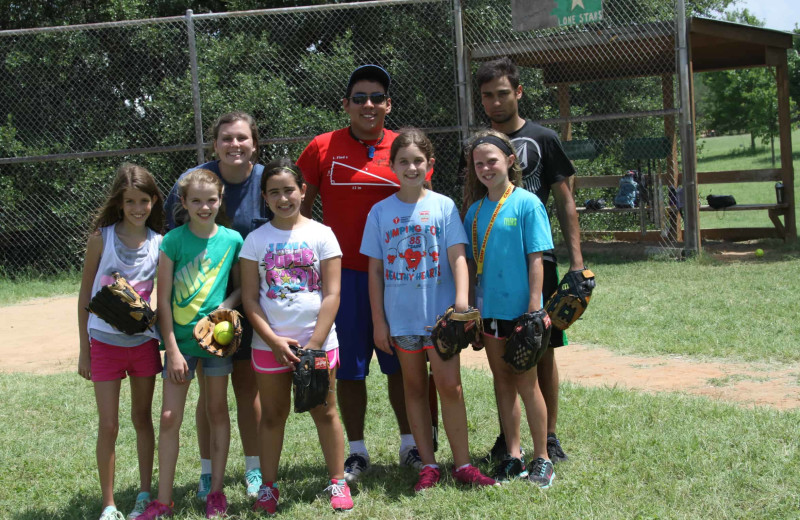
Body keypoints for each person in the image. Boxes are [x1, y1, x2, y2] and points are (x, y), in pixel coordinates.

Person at [298, 65, 432, 483]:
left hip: (400, 276)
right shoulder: (322, 147)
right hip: (343, 278)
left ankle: (411, 443)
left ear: (389, 104)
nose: (368, 105)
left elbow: (427, 204)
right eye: (359, 98)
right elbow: (298, 210)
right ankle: (355, 451)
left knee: (403, 365)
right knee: (350, 369)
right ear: (346, 104)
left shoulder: (405, 148)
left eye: (377, 97)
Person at [359, 128, 497, 491]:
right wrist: (379, 321)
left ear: (430, 165)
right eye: (403, 161)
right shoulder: (380, 212)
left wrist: (462, 306)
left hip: (441, 320)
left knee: (450, 387)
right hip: (401, 319)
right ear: (392, 166)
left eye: (418, 160)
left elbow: (458, 258)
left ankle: (464, 464)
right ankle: (429, 466)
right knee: (415, 389)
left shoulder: (443, 205)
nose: (411, 167)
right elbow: (374, 271)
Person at [473, 56, 585, 465]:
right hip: (494, 266)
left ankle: (549, 436)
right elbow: (472, 204)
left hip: (540, 260)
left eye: (503, 93)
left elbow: (565, 200)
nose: (496, 102)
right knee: (502, 354)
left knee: (542, 348)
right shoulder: (480, 147)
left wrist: (577, 262)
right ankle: (509, 439)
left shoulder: (544, 137)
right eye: (487, 96)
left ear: (518, 92)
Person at [163, 111, 267, 500]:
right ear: (215, 144)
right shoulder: (193, 182)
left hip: (251, 300)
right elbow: (173, 240)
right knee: (211, 395)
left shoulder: (265, 180)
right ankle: (209, 472)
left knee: (247, 388)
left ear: (254, 142)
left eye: (242, 138)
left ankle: (253, 468)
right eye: (226, 138)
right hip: (201, 312)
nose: (234, 145)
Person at [241, 158, 353, 514]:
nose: (283, 198)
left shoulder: (322, 234)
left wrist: (315, 343)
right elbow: (249, 298)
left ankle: (337, 482)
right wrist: (273, 341)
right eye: (274, 192)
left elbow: (332, 294)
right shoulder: (256, 241)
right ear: (265, 198)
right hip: (269, 347)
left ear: (303, 191)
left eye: (289, 190)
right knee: (272, 416)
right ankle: (269, 489)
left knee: (326, 412)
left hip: (317, 343)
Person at [139, 169, 243, 519]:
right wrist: (171, 346)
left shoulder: (232, 240)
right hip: (180, 346)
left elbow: (243, 287)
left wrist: (225, 310)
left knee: (217, 411)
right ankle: (163, 501)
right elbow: (163, 299)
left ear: (220, 201)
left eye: (211, 200)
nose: (204, 206)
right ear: (182, 203)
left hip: (216, 343)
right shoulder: (173, 242)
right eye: (196, 200)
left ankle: (216, 492)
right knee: (169, 417)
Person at [462, 130, 556, 488]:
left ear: (510, 161)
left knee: (527, 383)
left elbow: (538, 259)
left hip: (521, 314)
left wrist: (534, 308)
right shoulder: (474, 211)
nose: (486, 168)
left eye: (492, 161)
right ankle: (513, 456)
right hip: (490, 313)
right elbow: (472, 265)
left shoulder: (527, 203)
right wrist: (473, 310)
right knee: (502, 382)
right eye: (479, 163)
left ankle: (542, 458)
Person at [78, 163, 165, 520]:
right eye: (130, 201)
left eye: (144, 200)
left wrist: (153, 316)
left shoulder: (161, 243)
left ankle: (144, 493)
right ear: (120, 201)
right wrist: (84, 350)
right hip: (104, 342)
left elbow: (166, 296)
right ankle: (109, 504)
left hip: (143, 344)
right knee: (108, 425)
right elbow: (85, 295)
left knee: (142, 418)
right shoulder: (102, 237)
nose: (137, 208)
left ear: (153, 201)